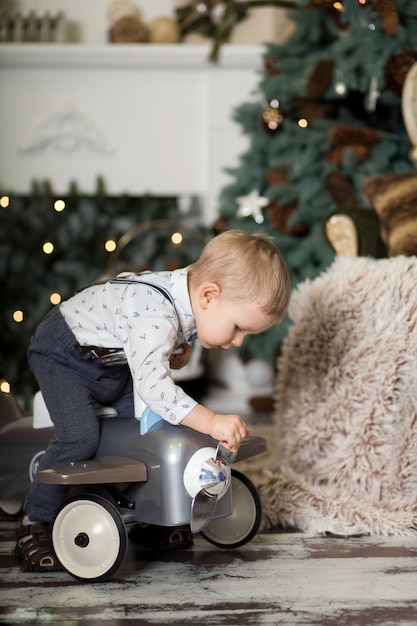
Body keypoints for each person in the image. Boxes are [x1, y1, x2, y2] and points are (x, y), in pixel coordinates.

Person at [15, 229, 290, 571]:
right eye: (237, 328)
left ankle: (146, 510)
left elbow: (167, 336)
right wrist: (212, 421)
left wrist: (180, 349)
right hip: (64, 354)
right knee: (80, 436)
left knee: (144, 434)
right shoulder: (155, 312)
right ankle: (35, 520)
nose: (238, 342)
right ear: (208, 296)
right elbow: (155, 387)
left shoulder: (190, 293)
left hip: (109, 364)